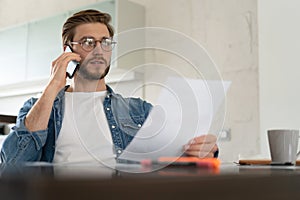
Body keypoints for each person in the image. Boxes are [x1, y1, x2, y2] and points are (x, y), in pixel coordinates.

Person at [0, 9, 218, 164]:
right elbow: (11, 166)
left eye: (105, 42)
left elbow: (177, 156)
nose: (99, 50)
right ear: (68, 50)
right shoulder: (39, 108)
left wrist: (204, 151)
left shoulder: (138, 110)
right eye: (88, 42)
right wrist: (52, 87)